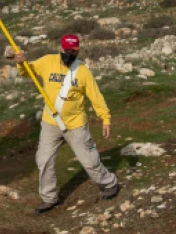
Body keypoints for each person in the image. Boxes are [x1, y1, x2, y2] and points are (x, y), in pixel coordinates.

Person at [15, 34, 119, 214]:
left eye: (73, 51)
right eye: (66, 50)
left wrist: (105, 118)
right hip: (51, 123)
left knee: (89, 161)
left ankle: (109, 183)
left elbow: (96, 96)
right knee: (44, 160)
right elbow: (27, 72)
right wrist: (21, 62)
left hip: (75, 124)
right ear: (60, 48)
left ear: (78, 51)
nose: (69, 54)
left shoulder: (83, 71)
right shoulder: (47, 61)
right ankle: (49, 198)